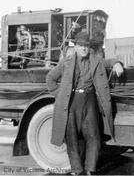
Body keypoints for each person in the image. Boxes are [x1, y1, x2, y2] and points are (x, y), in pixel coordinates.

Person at [46, 31, 124, 175]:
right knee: (72, 137)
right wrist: (60, 95)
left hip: (90, 101)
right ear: (75, 46)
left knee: (93, 136)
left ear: (89, 47)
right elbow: (50, 79)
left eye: (86, 46)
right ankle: (77, 169)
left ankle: (90, 169)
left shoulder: (96, 59)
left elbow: (109, 61)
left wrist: (117, 63)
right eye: (80, 45)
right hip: (71, 102)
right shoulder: (66, 62)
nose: (83, 48)